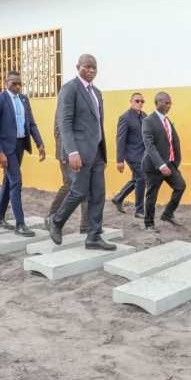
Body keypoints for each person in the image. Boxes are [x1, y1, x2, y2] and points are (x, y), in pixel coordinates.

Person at [45, 54, 115, 251]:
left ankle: (94, 236)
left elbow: (97, 123)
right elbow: (64, 122)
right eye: (87, 67)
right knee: (78, 191)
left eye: (94, 67)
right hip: (79, 152)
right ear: (78, 67)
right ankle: (56, 221)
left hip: (97, 152)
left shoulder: (97, 93)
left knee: (98, 194)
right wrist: (71, 151)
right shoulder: (70, 89)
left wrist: (103, 151)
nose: (91, 70)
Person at [0, 70, 46, 236]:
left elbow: (31, 123)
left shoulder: (23, 99)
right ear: (6, 82)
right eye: (14, 83)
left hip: (20, 145)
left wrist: (39, 143)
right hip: (7, 147)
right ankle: (20, 224)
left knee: (9, 181)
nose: (17, 86)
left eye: (20, 84)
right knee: (16, 181)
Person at [142, 91, 186, 230]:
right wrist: (160, 165)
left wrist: (175, 162)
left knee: (180, 186)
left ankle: (167, 214)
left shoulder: (167, 121)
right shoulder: (148, 121)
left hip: (169, 164)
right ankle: (149, 223)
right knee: (152, 195)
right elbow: (149, 145)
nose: (168, 106)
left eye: (170, 103)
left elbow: (174, 141)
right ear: (157, 103)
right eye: (166, 103)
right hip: (154, 166)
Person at [47, 92, 90, 233]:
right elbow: (58, 132)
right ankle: (52, 216)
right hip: (68, 154)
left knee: (84, 187)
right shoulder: (64, 106)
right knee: (70, 185)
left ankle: (85, 225)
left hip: (83, 153)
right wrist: (66, 153)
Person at [111, 93, 147, 218]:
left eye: (142, 101)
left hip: (143, 154)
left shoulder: (144, 116)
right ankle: (139, 210)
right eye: (137, 101)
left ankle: (118, 198)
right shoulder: (125, 118)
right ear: (131, 102)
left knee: (137, 178)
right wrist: (119, 160)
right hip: (132, 155)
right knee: (142, 178)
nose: (140, 103)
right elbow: (120, 140)